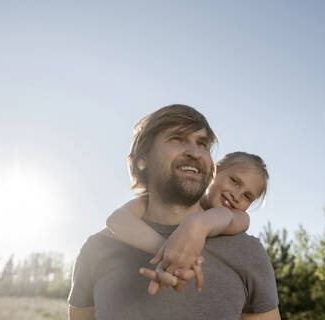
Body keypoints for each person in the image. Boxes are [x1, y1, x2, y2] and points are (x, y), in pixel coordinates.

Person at [68, 104, 280, 320]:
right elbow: (116, 220)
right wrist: (170, 255)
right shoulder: (96, 249)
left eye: (202, 144)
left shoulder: (247, 251)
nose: (195, 152)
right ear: (142, 159)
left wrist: (197, 224)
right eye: (177, 138)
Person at [106, 151, 269, 295]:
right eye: (234, 181)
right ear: (214, 171)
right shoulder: (171, 199)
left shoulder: (237, 217)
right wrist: (170, 251)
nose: (237, 195)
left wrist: (198, 224)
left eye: (247, 196)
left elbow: (227, 217)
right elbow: (117, 220)